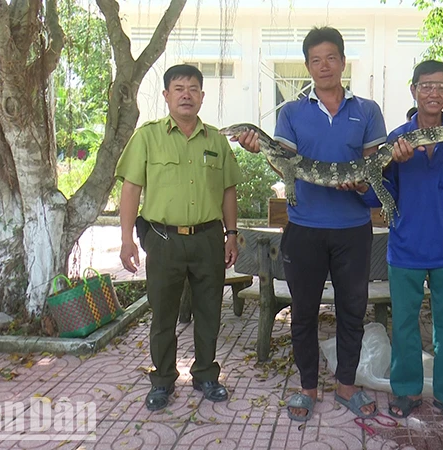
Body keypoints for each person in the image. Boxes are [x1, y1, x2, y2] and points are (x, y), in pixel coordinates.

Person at [235, 26, 386, 422]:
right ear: (307, 65)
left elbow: (374, 172)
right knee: (302, 312)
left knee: (352, 311)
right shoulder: (291, 113)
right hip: (303, 230)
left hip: (353, 230)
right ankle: (307, 388)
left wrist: (362, 186)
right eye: (315, 60)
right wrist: (261, 148)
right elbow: (284, 162)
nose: (324, 66)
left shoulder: (367, 111)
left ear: (342, 61)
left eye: (330, 58)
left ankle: (347, 387)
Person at [361, 60, 443, 424]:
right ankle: (406, 391)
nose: (434, 93)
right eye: (426, 86)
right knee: (404, 324)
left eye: (441, 86)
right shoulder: (397, 138)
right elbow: (376, 198)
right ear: (414, 89)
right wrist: (386, 166)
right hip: (406, 248)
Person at [116, 64, 243, 412]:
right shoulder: (147, 136)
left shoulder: (216, 140)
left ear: (202, 96)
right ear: (166, 95)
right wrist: (127, 239)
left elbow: (228, 191)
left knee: (209, 312)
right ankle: (163, 380)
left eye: (193, 88)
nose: (186, 94)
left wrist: (231, 234)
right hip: (163, 239)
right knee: (163, 315)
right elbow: (131, 188)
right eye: (178, 88)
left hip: (207, 240)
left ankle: (205, 374)